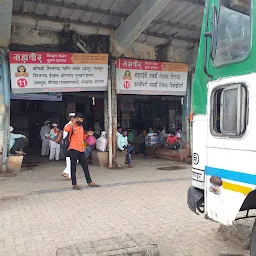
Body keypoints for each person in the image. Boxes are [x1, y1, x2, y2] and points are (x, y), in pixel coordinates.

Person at [64, 112, 99, 190]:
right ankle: (74, 184)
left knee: (85, 166)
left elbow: (82, 137)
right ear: (76, 119)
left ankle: (89, 182)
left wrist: (88, 135)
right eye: (80, 119)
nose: (82, 120)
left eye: (82, 119)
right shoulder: (72, 126)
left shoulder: (81, 127)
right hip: (73, 149)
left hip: (81, 149)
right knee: (73, 167)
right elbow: (66, 129)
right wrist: (71, 123)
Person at [62, 113, 75, 180]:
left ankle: (69, 174)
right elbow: (65, 137)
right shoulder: (69, 126)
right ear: (72, 119)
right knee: (72, 160)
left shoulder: (72, 125)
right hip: (69, 145)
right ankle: (66, 172)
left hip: (69, 144)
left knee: (71, 160)